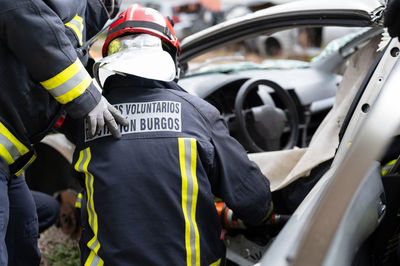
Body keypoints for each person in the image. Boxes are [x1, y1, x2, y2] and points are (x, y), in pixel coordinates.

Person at [72, 4, 273, 265]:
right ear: (170, 54)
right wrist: (263, 218)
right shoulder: (198, 114)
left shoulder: (89, 120)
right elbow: (256, 202)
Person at [0, 0, 127, 265]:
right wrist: (87, 96)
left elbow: (57, 84)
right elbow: (32, 27)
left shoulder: (81, 18)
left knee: (22, 244)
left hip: (10, 165)